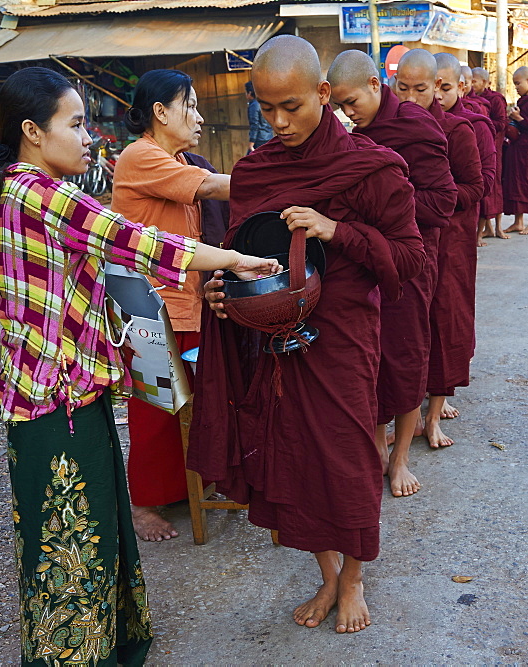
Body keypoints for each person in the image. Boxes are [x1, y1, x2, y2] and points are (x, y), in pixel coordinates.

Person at [0, 66, 277, 665]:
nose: (88, 138)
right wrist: (235, 258)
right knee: (71, 538)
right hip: (55, 402)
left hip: (67, 393)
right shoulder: (41, 193)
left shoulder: (23, 188)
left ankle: (112, 641)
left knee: (92, 525)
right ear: (31, 131)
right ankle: (77, 655)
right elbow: (140, 241)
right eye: (75, 124)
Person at [190, 35, 425, 634]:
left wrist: (337, 229)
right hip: (270, 343)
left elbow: (412, 258)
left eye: (290, 107)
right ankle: (324, 574)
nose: (277, 122)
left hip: (342, 336)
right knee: (287, 460)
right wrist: (222, 293)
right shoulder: (254, 171)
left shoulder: (370, 167)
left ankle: (352, 578)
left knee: (345, 460)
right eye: (265, 109)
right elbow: (241, 258)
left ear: (324, 93)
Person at [327, 49, 457, 497]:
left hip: (408, 260)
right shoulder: (353, 134)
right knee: (372, 355)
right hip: (363, 261)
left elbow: (442, 203)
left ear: (373, 85)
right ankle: (380, 444)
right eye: (339, 106)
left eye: (352, 102)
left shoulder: (417, 128)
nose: (347, 113)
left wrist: (383, 208)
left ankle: (401, 456)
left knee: (405, 354)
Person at [111, 69, 233, 542]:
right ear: (160, 112)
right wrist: (274, 178)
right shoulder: (140, 156)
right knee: (155, 409)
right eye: (190, 106)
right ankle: (142, 503)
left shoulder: (177, 158)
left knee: (195, 401)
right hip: (148, 307)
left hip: (187, 303)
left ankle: (190, 483)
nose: (199, 117)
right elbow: (208, 187)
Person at [395, 48, 483, 448]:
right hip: (405, 242)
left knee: (445, 322)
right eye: (403, 88)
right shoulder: (390, 127)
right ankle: (405, 417)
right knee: (410, 329)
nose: (411, 99)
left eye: (422, 89)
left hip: (449, 241)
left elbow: (476, 187)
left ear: (438, 88)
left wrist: (431, 196)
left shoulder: (459, 130)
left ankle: (432, 418)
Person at [436, 54, 497, 247]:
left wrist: (441, 192)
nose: (438, 96)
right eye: (432, 88)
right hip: (420, 223)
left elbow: (486, 181)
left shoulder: (476, 125)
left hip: (459, 220)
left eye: (446, 88)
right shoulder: (416, 121)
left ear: (461, 88)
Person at [501, 66, 528, 234]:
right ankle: (518, 221)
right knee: (515, 184)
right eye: (514, 84)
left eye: (518, 83)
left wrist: (518, 118)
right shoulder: (522, 102)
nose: (516, 87)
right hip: (516, 148)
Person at [469, 67, 506, 240]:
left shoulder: (495, 99)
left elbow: (501, 123)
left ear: (484, 82)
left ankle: (498, 227)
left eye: (474, 81)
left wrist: (484, 123)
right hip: (481, 147)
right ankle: (488, 228)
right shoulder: (472, 100)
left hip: (494, 146)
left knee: (495, 186)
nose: (472, 84)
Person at [246, 81, 274, 152]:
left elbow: (255, 124)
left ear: (249, 93)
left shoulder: (254, 105)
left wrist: (251, 143)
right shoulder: (265, 102)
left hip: (259, 140)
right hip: (269, 137)